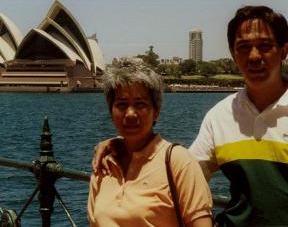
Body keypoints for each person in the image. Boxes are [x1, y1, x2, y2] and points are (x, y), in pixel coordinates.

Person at [93, 6, 288, 226]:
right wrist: (122, 145)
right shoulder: (220, 115)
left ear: (284, 51)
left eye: (265, 45)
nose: (254, 56)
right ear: (234, 54)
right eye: (243, 47)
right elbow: (183, 172)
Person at [87, 57, 213, 227]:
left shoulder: (178, 162)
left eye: (140, 104)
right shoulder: (103, 164)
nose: (130, 113)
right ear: (111, 111)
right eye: (122, 105)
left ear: (156, 112)